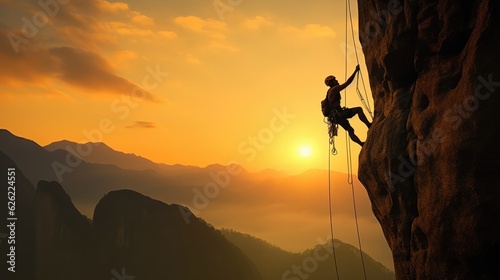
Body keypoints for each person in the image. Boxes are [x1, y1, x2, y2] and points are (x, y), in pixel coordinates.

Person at [324, 65, 371, 146]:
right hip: (339, 114)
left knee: (350, 130)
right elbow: (347, 83)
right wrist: (355, 71)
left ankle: (361, 144)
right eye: (334, 80)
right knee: (358, 109)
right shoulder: (334, 89)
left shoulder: (329, 92)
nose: (337, 81)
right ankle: (369, 125)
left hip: (336, 116)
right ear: (331, 83)